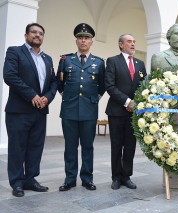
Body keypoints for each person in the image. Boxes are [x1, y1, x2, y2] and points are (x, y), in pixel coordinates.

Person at [3, 23, 57, 197]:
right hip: (19, 110)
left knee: (35, 147)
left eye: (41, 33)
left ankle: (30, 179)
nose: (37, 35)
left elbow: (54, 82)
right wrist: (31, 94)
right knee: (17, 147)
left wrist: (47, 97)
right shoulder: (15, 52)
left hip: (40, 111)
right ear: (26, 35)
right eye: (33, 32)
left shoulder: (47, 59)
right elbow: (9, 75)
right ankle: (17, 182)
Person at [57, 23, 105, 191]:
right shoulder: (65, 60)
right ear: (76, 41)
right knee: (70, 147)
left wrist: (93, 100)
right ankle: (69, 179)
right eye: (80, 38)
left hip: (89, 111)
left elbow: (102, 86)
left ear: (91, 41)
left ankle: (87, 179)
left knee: (87, 147)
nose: (83, 41)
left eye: (86, 38)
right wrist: (70, 98)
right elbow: (60, 84)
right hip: (69, 110)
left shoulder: (98, 62)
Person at [105, 34, 147, 190]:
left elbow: (145, 86)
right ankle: (116, 177)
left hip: (134, 113)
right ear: (120, 45)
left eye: (134, 42)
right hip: (116, 111)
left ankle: (126, 176)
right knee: (116, 145)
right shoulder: (113, 61)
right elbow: (110, 86)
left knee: (130, 145)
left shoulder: (140, 64)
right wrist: (127, 101)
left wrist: (138, 103)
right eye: (129, 41)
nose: (133, 44)